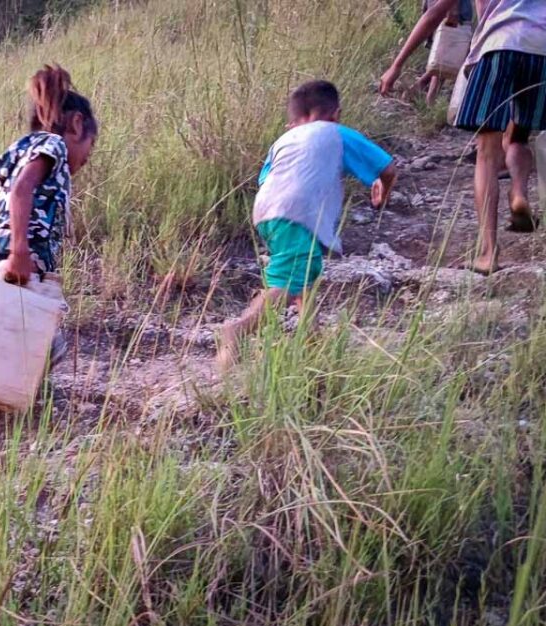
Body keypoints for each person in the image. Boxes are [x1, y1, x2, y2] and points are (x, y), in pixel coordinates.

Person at [0, 65, 97, 443]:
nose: (87, 160)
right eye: (90, 149)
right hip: (7, 263)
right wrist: (19, 251)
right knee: (43, 348)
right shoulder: (51, 147)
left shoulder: (40, 151)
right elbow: (20, 191)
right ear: (77, 125)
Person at [216, 81, 398, 371]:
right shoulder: (335, 133)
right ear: (335, 114)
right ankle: (238, 330)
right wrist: (382, 192)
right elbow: (387, 169)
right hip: (298, 213)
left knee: (305, 278)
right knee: (286, 284)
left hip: (267, 212)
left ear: (293, 121)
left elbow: (266, 180)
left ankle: (312, 343)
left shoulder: (283, 140)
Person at [381, 0, 546, 275]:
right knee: (519, 135)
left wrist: (397, 65)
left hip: (499, 45)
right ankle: (518, 191)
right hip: (541, 50)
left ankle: (488, 252)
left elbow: (436, 12)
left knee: (486, 153)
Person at [415, 0, 475, 104]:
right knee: (447, 55)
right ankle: (430, 100)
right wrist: (453, 10)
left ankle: (421, 87)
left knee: (443, 52)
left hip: (440, 6)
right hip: (453, 7)